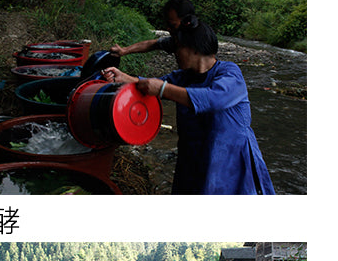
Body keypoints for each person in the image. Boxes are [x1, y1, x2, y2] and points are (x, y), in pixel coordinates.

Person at [102, 15, 275, 194]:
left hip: (231, 162)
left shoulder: (230, 73)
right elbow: (153, 84)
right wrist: (124, 78)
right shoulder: (183, 77)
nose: (175, 52)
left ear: (195, 49)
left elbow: (213, 99)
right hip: (193, 159)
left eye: (178, 47)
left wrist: (163, 89)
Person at [109, 0, 195, 57]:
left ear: (187, 22)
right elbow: (151, 44)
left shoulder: (201, 44)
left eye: (172, 25)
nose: (168, 29)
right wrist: (124, 50)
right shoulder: (177, 41)